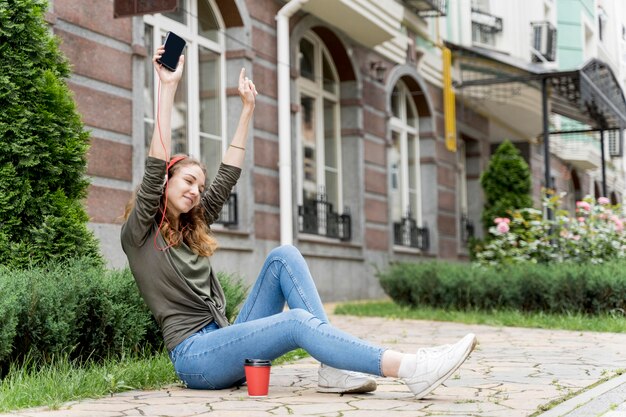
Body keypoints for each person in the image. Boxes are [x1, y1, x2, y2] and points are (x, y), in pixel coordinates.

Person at [121, 45, 477, 399]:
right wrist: (167, 87)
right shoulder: (140, 234)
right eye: (188, 182)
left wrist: (247, 110)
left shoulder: (192, 226)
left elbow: (228, 175)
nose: (197, 191)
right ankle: (409, 368)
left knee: (284, 256)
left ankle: (335, 369)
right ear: (166, 182)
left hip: (226, 337)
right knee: (295, 323)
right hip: (196, 357)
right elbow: (156, 162)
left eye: (200, 185)